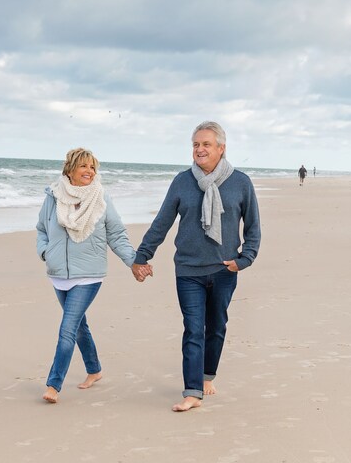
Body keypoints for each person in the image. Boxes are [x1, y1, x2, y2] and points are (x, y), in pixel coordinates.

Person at [132, 122, 261, 412]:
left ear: (221, 148)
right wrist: (142, 256)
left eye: (205, 144)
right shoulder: (182, 182)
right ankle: (192, 392)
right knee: (193, 329)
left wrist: (244, 259)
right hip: (188, 270)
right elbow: (162, 222)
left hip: (224, 270)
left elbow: (253, 226)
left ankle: (207, 376)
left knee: (216, 327)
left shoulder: (240, 182)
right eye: (195, 145)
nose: (199, 150)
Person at [36, 148, 138, 404]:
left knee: (67, 328)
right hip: (59, 274)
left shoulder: (101, 197)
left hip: (89, 275)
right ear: (69, 169)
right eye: (84, 166)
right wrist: (45, 252)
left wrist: (134, 261)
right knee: (80, 327)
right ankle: (95, 370)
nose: (89, 172)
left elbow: (116, 233)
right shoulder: (53, 196)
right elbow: (41, 230)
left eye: (93, 167)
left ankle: (53, 385)